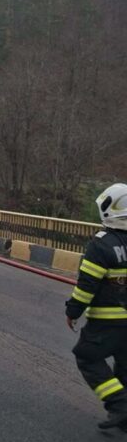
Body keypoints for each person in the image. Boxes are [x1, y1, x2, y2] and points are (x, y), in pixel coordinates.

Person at [65, 183, 127, 429]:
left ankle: (118, 403)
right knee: (124, 363)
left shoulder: (101, 245)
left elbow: (86, 287)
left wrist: (72, 311)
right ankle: (125, 417)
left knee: (87, 356)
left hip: (107, 321)